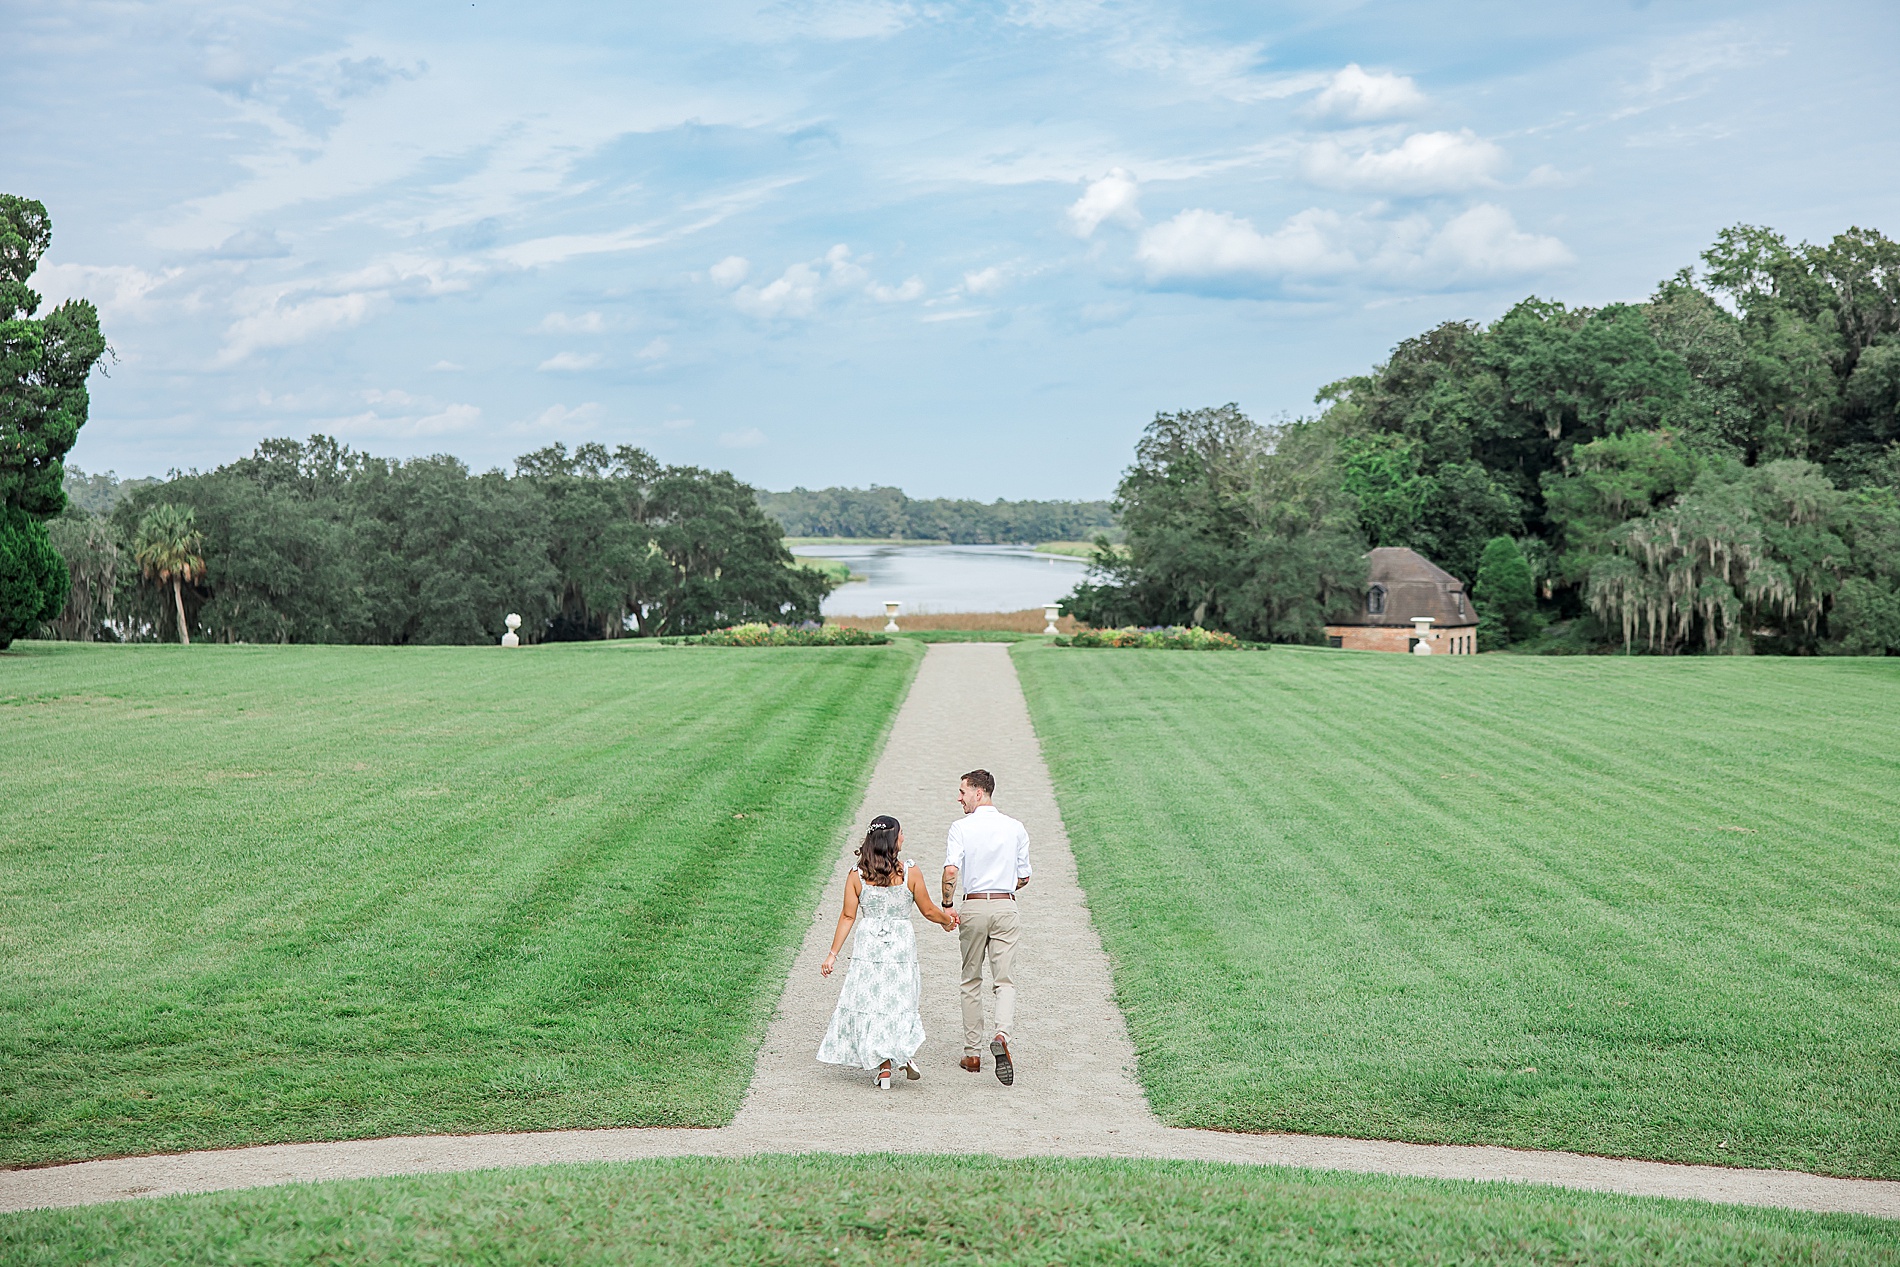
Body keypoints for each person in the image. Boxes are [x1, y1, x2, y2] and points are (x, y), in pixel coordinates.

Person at [818, 815, 959, 1089]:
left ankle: (885, 1068)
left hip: (869, 945)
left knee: (874, 1003)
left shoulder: (856, 875)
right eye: (902, 834)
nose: (904, 838)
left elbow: (848, 916)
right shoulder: (910, 872)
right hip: (900, 946)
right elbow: (928, 909)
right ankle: (901, 1051)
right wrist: (947, 920)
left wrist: (832, 954)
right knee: (901, 1000)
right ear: (893, 840)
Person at [941, 768, 1030, 1086]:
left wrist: (948, 905)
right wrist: (1003, 886)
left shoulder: (960, 828)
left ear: (979, 792)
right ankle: (1002, 1034)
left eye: (963, 791)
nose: (959, 797)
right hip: (1006, 904)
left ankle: (972, 1053)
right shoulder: (1016, 827)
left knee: (971, 979)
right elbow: (1024, 877)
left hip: (974, 904)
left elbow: (951, 870)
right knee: (1004, 980)